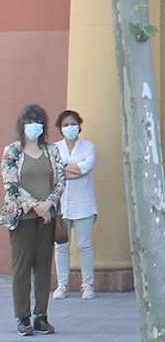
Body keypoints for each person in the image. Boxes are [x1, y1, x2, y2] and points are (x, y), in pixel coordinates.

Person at [1, 105, 66, 336]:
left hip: (46, 217)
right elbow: (10, 185)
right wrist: (35, 206)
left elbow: (60, 180)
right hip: (22, 217)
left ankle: (41, 316)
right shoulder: (12, 151)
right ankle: (23, 317)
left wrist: (48, 203)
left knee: (42, 267)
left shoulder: (51, 150)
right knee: (21, 268)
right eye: (29, 121)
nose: (34, 125)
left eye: (38, 121)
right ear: (22, 124)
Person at [52, 110, 97, 300]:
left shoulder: (88, 147)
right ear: (60, 128)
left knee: (84, 245)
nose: (70, 127)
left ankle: (87, 285)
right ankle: (62, 285)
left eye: (73, 124)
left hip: (84, 203)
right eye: (65, 125)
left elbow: (85, 168)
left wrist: (65, 169)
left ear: (79, 125)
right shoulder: (54, 148)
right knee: (61, 246)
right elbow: (54, 172)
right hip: (61, 204)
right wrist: (73, 169)